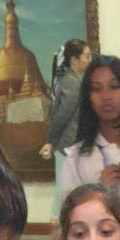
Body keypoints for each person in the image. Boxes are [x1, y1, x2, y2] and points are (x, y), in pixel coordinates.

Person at [58, 55, 120, 213]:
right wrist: (99, 193)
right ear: (88, 97)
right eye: (96, 89)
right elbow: (67, 215)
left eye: (114, 87)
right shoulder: (77, 157)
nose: (106, 97)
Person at [40, 38, 91, 213]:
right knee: (66, 191)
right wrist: (51, 142)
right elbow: (62, 116)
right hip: (68, 144)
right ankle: (59, 224)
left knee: (67, 189)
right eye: (86, 56)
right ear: (74, 60)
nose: (89, 60)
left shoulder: (70, 80)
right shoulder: (72, 83)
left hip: (68, 144)